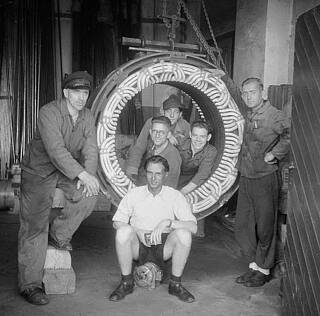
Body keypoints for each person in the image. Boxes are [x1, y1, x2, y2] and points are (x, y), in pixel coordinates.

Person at [18, 71, 100, 305]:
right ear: (66, 93)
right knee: (34, 225)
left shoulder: (87, 116)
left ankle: (58, 236)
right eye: (76, 92)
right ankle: (30, 285)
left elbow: (91, 149)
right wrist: (82, 173)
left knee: (89, 195)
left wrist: (89, 177)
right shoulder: (48, 112)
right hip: (39, 171)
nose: (81, 98)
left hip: (66, 171)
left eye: (85, 93)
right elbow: (56, 151)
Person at [109, 155, 197, 303]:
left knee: (184, 234)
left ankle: (175, 284)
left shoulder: (174, 196)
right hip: (139, 246)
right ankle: (127, 282)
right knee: (123, 231)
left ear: (166, 174)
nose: (153, 178)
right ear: (145, 173)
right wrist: (137, 231)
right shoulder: (134, 194)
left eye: (158, 173)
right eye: (150, 173)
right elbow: (117, 222)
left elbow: (193, 226)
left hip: (164, 247)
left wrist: (169, 222)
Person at [234, 77, 290, 287]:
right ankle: (254, 265)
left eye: (252, 92)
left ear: (262, 93)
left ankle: (264, 269)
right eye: (245, 93)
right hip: (247, 176)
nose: (249, 97)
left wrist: (274, 154)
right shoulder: (248, 114)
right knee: (242, 226)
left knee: (265, 227)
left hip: (265, 177)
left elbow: (290, 134)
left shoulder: (274, 115)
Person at [125, 94, 189, 177]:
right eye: (169, 111)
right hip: (149, 165)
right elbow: (139, 147)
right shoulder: (152, 122)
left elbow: (187, 154)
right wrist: (132, 169)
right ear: (163, 112)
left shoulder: (185, 126)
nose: (172, 115)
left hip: (173, 168)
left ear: (180, 114)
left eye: (176, 112)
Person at [126, 116, 182, 188]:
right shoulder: (152, 146)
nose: (157, 135)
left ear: (168, 135)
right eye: (154, 131)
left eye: (162, 132)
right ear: (150, 132)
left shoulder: (173, 157)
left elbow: (169, 188)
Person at [178, 120, 217, 195]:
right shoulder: (181, 144)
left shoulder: (210, 151)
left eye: (202, 136)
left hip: (192, 180)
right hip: (176, 175)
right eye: (195, 135)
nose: (198, 139)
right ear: (190, 134)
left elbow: (202, 174)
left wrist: (182, 192)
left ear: (208, 137)